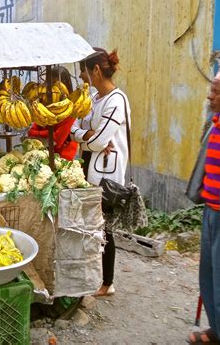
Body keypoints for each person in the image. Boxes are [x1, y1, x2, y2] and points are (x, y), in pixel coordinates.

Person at [186, 61, 220, 345]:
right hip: (211, 210)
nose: (209, 97)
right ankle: (219, 331)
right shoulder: (218, 121)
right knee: (209, 276)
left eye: (215, 92)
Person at [70, 48, 131, 297]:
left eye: (84, 71)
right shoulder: (94, 98)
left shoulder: (117, 101)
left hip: (107, 175)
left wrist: (89, 138)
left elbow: (97, 141)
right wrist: (89, 136)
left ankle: (107, 283)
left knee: (104, 228)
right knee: (94, 225)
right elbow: (75, 126)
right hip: (90, 166)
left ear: (95, 70)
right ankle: (96, 277)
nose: (82, 77)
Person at [28, 66, 79, 160]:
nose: (52, 89)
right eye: (49, 84)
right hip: (44, 155)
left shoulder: (70, 110)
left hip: (63, 158)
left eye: (55, 85)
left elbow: (57, 140)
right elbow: (31, 132)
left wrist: (39, 133)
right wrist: (48, 133)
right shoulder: (45, 106)